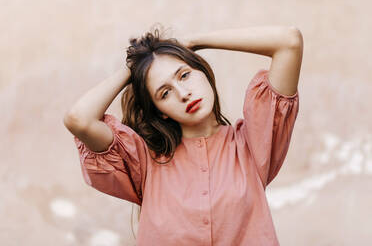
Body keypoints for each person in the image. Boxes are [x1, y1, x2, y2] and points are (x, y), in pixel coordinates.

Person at [63, 25, 303, 245]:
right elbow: (79, 119)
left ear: (203, 72)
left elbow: (289, 42)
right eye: (164, 93)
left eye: (184, 75)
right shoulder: (144, 162)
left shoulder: (251, 146)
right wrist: (134, 68)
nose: (183, 93)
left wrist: (195, 41)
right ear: (161, 112)